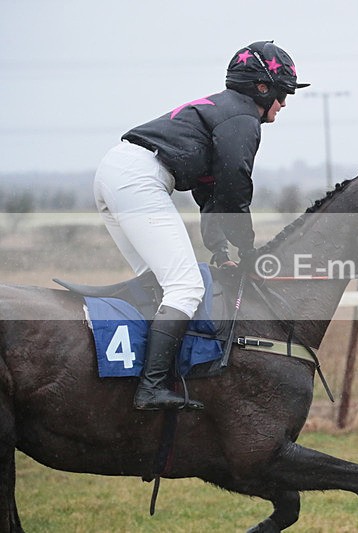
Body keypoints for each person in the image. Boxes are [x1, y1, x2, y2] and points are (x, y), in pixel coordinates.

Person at [93, 41, 309, 411]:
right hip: (138, 179)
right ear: (263, 87)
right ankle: (151, 388)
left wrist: (222, 251)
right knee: (186, 287)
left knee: (161, 284)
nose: (285, 103)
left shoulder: (225, 111)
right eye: (283, 93)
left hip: (116, 173)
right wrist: (248, 249)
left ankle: (141, 379)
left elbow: (212, 194)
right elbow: (236, 187)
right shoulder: (243, 119)